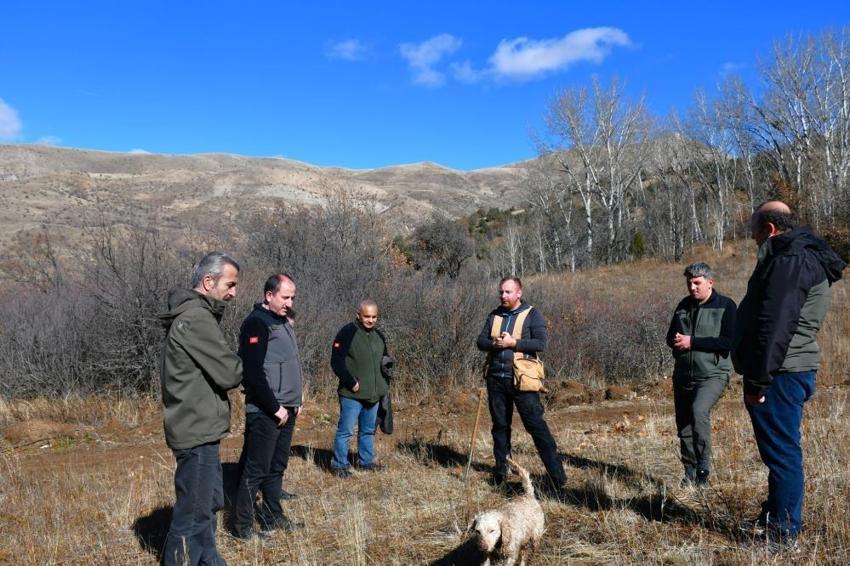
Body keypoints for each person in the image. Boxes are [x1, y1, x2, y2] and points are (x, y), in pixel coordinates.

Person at [734, 200, 845, 547]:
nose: (751, 237)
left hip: (780, 371)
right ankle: (775, 514)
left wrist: (758, 378)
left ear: (769, 228)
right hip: (785, 368)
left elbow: (776, 323)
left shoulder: (791, 260)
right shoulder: (796, 255)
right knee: (778, 451)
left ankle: (784, 532)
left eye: (753, 230)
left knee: (783, 453)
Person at [160, 252, 243, 566]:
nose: (233, 292)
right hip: (194, 430)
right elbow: (229, 372)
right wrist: (244, 360)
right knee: (192, 515)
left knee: (207, 506)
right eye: (230, 284)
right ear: (208, 282)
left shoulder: (196, 315)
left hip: (201, 427)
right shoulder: (195, 318)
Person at [476, 277, 566, 490]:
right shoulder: (495, 315)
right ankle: (500, 474)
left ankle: (557, 477)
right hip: (496, 379)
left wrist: (513, 343)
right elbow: (480, 341)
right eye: (501, 292)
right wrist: (494, 343)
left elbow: (540, 343)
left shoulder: (532, 314)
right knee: (500, 428)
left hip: (523, 382)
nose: (503, 296)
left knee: (535, 426)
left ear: (519, 293)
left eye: (508, 292)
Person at [233, 273, 305, 539]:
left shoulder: (281, 321)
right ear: (269, 295)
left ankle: (273, 516)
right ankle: (242, 528)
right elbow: (252, 372)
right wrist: (274, 407)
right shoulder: (256, 323)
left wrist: (297, 400)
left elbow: (287, 364)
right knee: (256, 470)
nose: (290, 302)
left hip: (287, 407)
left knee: (276, 467)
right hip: (267, 411)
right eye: (285, 297)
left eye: (292, 297)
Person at [666, 262, 737, 487]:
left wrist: (693, 342)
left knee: (699, 411)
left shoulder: (726, 306)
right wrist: (677, 342)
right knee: (684, 424)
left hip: (713, 374)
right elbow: (670, 337)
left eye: (697, 283)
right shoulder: (683, 306)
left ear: (710, 283)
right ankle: (690, 472)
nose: (692, 287)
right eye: (689, 283)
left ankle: (704, 468)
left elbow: (729, 341)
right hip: (683, 374)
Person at [330, 300, 391, 478]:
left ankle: (366, 462)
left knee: (367, 431)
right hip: (351, 394)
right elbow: (336, 361)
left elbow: (385, 360)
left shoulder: (379, 335)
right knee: (346, 431)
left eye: (374, 317)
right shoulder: (347, 332)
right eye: (367, 316)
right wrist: (351, 382)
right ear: (358, 315)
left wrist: (384, 385)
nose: (371, 320)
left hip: (373, 394)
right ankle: (339, 465)